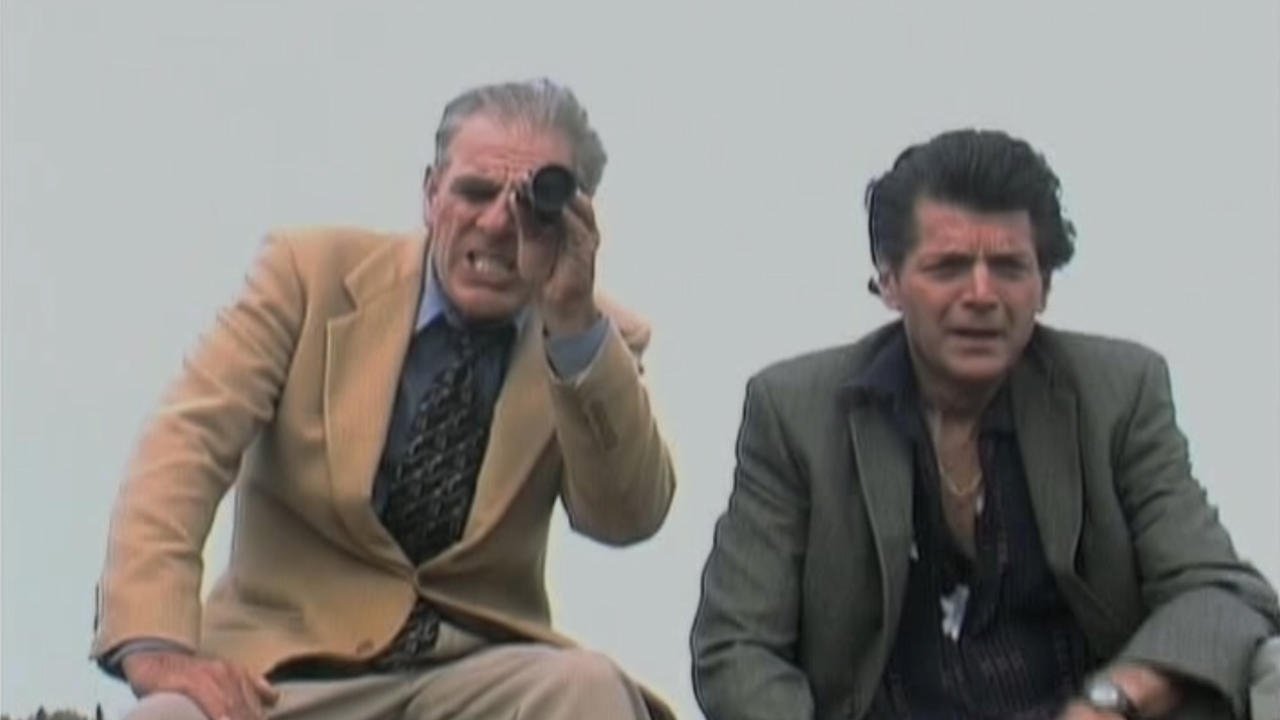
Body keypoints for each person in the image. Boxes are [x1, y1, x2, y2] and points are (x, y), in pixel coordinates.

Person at [91, 78, 677, 720]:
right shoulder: (310, 276)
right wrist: (156, 645)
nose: (498, 224)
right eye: (474, 192)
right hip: (288, 669)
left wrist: (572, 325)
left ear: (577, 219)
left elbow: (625, 516)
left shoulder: (588, 340)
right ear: (430, 193)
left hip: (475, 670)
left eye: (535, 205)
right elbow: (186, 448)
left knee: (588, 687)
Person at [691, 128, 1280, 719]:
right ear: (889, 282)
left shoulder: (1119, 392)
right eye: (947, 267)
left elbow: (1222, 593)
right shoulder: (794, 412)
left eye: (1008, 267)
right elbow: (736, 647)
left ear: (1044, 286)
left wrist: (1114, 700)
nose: (981, 294)